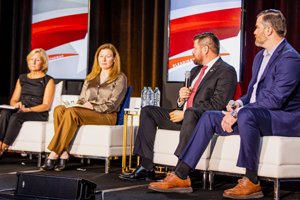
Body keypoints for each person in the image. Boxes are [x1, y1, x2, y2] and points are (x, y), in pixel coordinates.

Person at [148, 9, 300, 199]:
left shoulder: (289, 58)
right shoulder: (261, 57)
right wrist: (237, 103)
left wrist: (238, 113)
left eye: (257, 27)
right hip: (257, 114)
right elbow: (252, 94)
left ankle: (251, 181)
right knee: (209, 116)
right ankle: (182, 175)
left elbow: (276, 100)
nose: (253, 31)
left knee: (246, 114)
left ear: (269, 30)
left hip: (284, 119)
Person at [120, 32, 237, 180]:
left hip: (200, 119)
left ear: (205, 49)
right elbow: (183, 102)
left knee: (191, 113)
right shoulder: (195, 71)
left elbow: (218, 104)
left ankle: (181, 170)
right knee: (148, 111)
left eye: (195, 48)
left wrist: (186, 111)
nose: (192, 51)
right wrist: (181, 100)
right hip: (185, 116)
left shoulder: (226, 71)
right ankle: (146, 165)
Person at [41, 43, 127, 171]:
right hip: (86, 111)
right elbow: (81, 99)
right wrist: (81, 105)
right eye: (101, 56)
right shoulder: (90, 77)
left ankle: (54, 153)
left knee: (72, 113)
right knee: (59, 109)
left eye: (107, 56)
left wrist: (93, 108)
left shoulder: (120, 77)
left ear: (114, 59)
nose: (103, 60)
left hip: (107, 115)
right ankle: (64, 152)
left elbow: (113, 104)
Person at [0, 48, 55, 160]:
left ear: (43, 63)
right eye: (31, 59)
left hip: (37, 112)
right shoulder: (22, 78)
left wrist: (27, 110)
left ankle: (2, 149)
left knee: (16, 117)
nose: (33, 62)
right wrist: (16, 104)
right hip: (21, 109)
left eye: (37, 60)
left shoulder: (48, 80)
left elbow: (45, 105)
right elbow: (13, 99)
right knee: (5, 112)